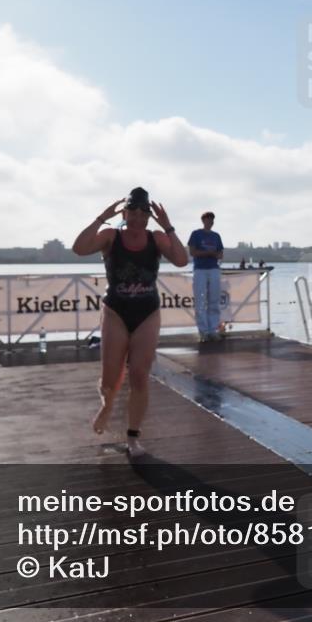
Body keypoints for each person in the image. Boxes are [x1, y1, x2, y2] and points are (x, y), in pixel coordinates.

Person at [72, 187, 188, 457]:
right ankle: (107, 405)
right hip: (116, 312)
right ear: (124, 214)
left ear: (149, 216)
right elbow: (79, 248)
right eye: (132, 212)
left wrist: (168, 226)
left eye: (142, 214)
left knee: (139, 375)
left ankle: (133, 436)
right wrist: (101, 218)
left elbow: (182, 260)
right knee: (109, 380)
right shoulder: (111, 236)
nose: (137, 218)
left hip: (147, 313)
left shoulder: (157, 237)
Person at [187, 211, 223, 342]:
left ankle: (213, 330)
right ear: (203, 220)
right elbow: (192, 252)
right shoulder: (196, 234)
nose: (211, 221)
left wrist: (212, 254)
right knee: (200, 301)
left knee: (214, 300)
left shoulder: (216, 236)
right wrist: (207, 253)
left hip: (214, 269)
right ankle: (203, 332)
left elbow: (220, 254)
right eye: (208, 219)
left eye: (212, 219)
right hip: (200, 270)